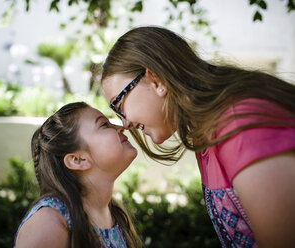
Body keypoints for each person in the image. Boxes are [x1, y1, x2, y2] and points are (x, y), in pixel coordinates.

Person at [101, 26, 295, 248]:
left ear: (156, 81)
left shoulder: (241, 125)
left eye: (120, 105)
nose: (125, 123)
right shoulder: (205, 135)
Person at [14, 102, 142, 248]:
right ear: (78, 160)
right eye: (104, 125)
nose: (122, 128)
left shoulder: (115, 215)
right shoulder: (49, 222)